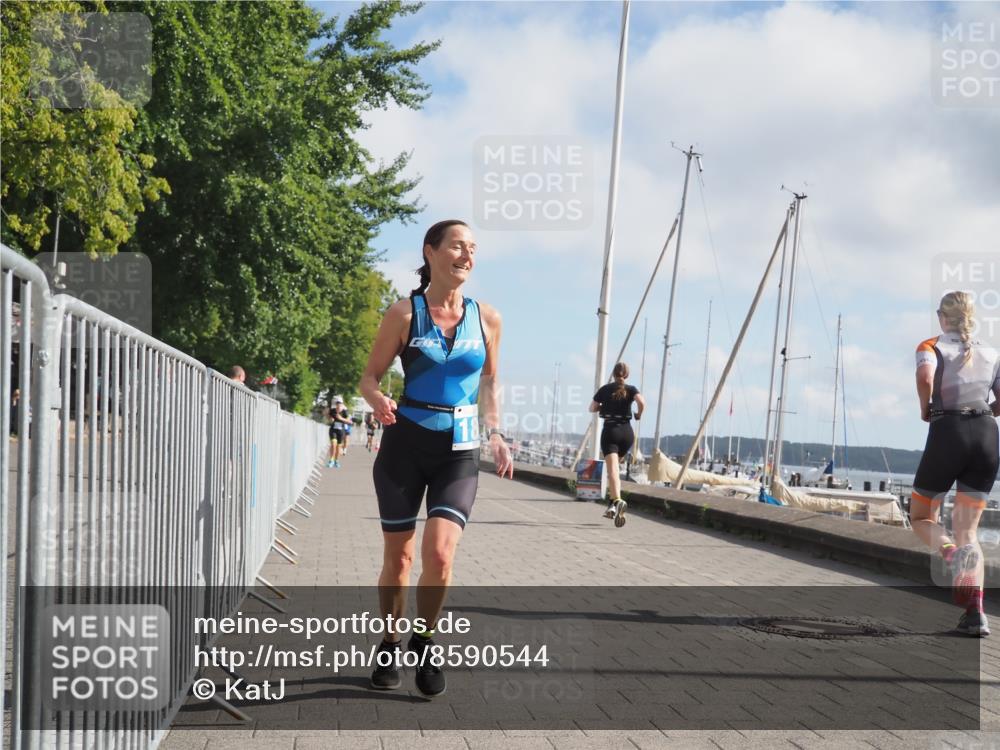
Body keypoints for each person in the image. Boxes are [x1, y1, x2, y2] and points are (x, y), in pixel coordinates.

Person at [359, 219, 513, 696]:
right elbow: (369, 377)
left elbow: (489, 382)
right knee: (400, 558)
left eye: (473, 248)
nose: (467, 255)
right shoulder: (405, 314)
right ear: (431, 252)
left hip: (459, 451)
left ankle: (424, 641)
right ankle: (390, 642)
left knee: (441, 554)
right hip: (404, 445)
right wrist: (377, 400)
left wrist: (496, 432)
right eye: (458, 246)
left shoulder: (487, 318)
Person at [910, 292, 1000, 637]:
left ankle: (950, 554)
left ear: (942, 317)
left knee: (922, 517)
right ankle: (976, 615)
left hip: (949, 431)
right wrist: (987, 413)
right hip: (986, 436)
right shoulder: (992, 352)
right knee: (969, 532)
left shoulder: (931, 346)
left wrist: (926, 407)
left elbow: (925, 379)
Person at [589, 362, 645, 525]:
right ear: (626, 375)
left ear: (613, 374)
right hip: (627, 433)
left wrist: (602, 407)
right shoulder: (631, 389)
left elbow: (591, 408)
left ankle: (617, 501)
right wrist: (638, 414)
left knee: (612, 471)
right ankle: (613, 506)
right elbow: (641, 402)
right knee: (614, 471)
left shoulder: (605, 389)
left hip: (611, 432)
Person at [327, 396, 351, 468]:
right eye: (337, 404)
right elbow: (328, 417)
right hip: (333, 429)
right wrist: (330, 419)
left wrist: (341, 418)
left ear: (342, 405)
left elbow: (349, 422)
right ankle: (331, 460)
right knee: (333, 444)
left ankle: (336, 461)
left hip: (341, 431)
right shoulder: (332, 411)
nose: (338, 405)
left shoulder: (345, 412)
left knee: (338, 446)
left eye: (340, 404)